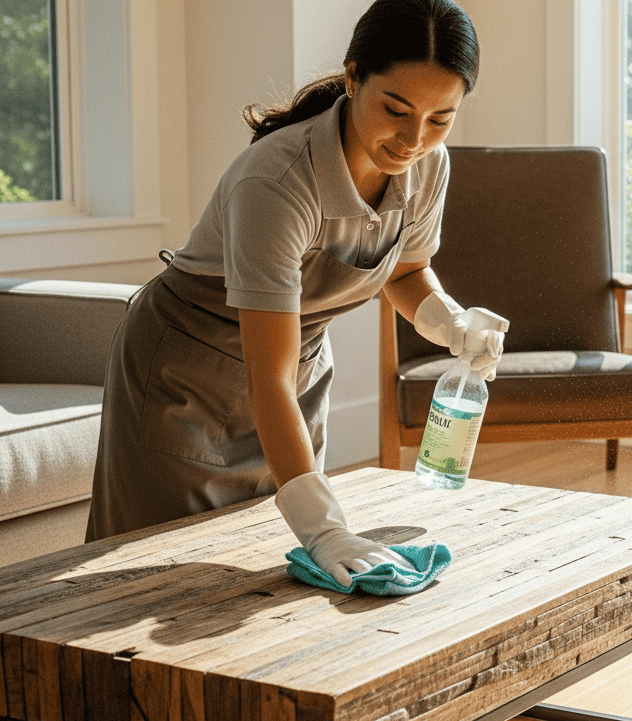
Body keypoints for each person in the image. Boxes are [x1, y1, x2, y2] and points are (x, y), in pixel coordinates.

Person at [87, 0, 502, 590]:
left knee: (261, 574)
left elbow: (407, 272)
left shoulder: (428, 165)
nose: (414, 138)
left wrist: (452, 323)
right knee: (151, 573)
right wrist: (326, 528)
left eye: (441, 118)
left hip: (295, 366)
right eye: (396, 109)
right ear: (354, 77)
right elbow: (267, 377)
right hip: (184, 376)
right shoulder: (277, 183)